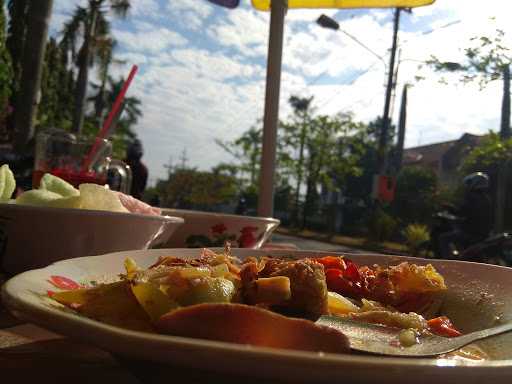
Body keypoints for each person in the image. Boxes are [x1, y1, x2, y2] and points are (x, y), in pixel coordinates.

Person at [438, 172, 493, 258]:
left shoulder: (472, 197)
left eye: (469, 183)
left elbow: (462, 212)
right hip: (484, 234)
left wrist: (449, 207)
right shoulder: (486, 198)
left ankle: (448, 262)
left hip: (471, 233)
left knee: (443, 238)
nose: (467, 186)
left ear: (474, 183)